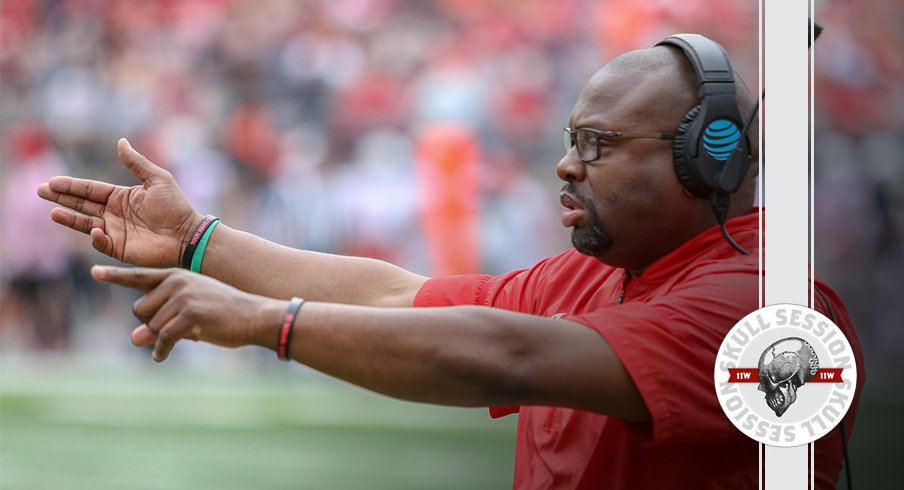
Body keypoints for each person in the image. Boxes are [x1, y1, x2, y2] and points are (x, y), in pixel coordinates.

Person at [38, 36, 863, 489]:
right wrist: (199, 241)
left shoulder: (771, 310)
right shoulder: (600, 274)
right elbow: (402, 296)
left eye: (598, 145)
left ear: (706, 160)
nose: (566, 166)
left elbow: (505, 356)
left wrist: (265, 325)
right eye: (570, 140)